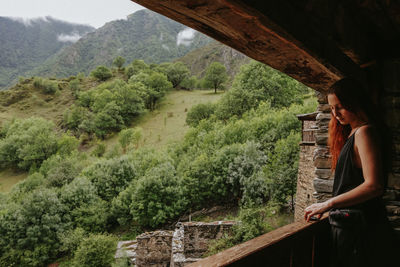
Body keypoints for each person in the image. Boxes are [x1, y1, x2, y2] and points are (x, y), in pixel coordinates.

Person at [304, 78, 397, 267]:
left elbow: (374, 186)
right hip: (358, 230)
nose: (335, 113)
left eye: (340, 106)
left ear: (356, 102)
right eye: (331, 108)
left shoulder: (364, 133)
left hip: (364, 234)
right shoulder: (355, 133)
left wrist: (328, 204)